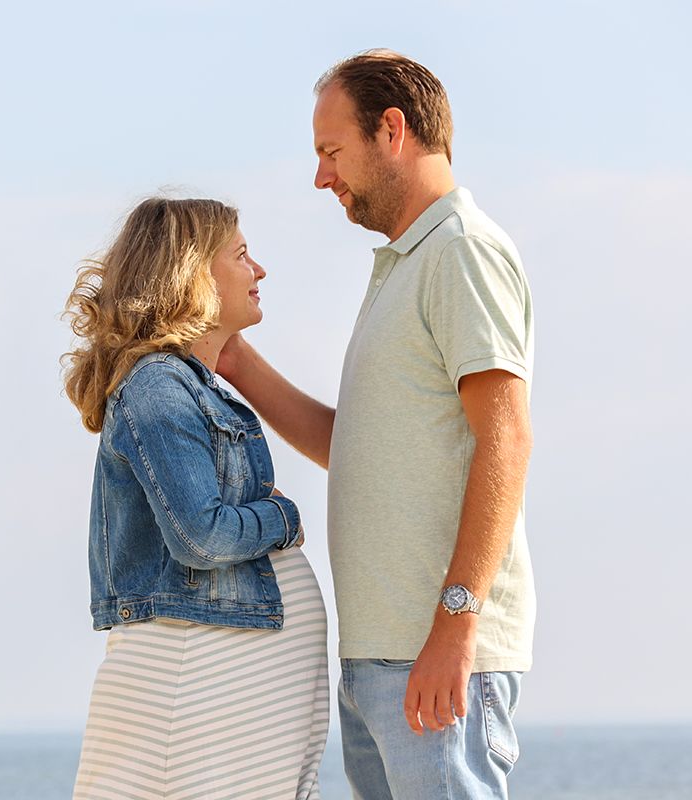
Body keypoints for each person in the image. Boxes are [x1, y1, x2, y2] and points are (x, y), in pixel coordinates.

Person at [216, 50, 535, 799]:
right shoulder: (405, 266)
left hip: (436, 654)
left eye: (332, 152)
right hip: (378, 662)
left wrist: (456, 624)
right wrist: (235, 361)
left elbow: (507, 436)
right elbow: (352, 451)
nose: (322, 177)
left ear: (392, 130)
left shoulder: (461, 252)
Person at [63, 198, 329, 800]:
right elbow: (201, 536)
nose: (258, 270)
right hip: (195, 680)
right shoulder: (159, 384)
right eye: (240, 255)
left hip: (227, 690)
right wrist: (283, 518)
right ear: (192, 277)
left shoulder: (189, 384)